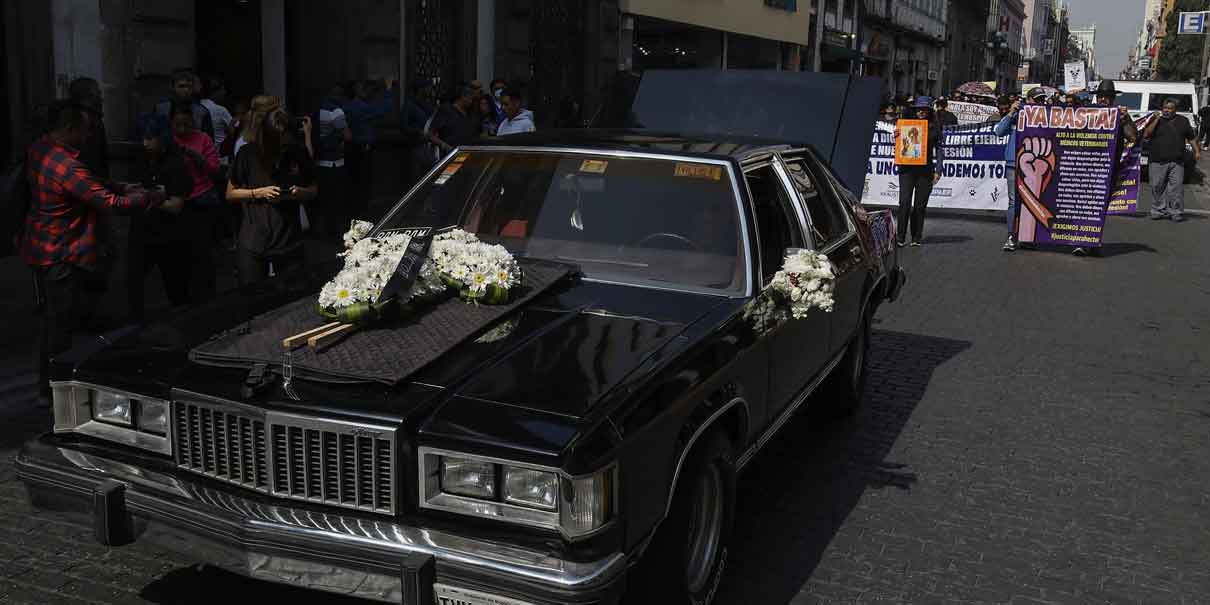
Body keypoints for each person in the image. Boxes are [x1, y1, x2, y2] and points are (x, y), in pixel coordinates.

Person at [22, 100, 178, 402]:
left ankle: (54, 384)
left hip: (42, 246)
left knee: (55, 322)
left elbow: (89, 185)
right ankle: (56, 390)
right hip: (63, 251)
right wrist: (150, 197)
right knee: (60, 327)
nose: (89, 134)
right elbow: (108, 203)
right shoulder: (66, 166)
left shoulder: (40, 148)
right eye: (84, 128)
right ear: (69, 129)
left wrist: (120, 185)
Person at [225, 95, 317, 285]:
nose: (281, 149)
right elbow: (230, 193)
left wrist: (300, 193)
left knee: (291, 298)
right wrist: (258, 192)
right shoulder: (248, 153)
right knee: (253, 298)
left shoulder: (296, 152)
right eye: (277, 144)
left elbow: (314, 189)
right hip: (254, 239)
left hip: (289, 240)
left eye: (285, 143)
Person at [128, 112, 193, 321]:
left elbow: (176, 205)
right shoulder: (141, 161)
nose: (145, 143)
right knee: (132, 279)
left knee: (176, 287)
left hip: (169, 236)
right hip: (142, 233)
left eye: (150, 138)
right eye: (143, 138)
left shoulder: (175, 165)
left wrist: (149, 198)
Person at [169, 100, 221, 301]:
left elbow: (215, 169)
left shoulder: (203, 139)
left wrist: (198, 159)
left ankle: (206, 296)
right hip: (176, 201)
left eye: (187, 125)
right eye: (178, 125)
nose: (182, 129)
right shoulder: (168, 141)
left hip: (201, 199)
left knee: (202, 252)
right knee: (179, 253)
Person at [343, 79, 395, 222]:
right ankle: (361, 216)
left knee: (356, 184)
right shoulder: (359, 107)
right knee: (363, 185)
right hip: (360, 150)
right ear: (355, 91)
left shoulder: (350, 106)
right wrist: (388, 90)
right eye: (362, 88)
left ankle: (355, 214)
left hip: (354, 150)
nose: (366, 91)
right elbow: (383, 109)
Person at [895, 96, 943, 247]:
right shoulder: (905, 125)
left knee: (920, 206)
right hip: (907, 170)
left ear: (929, 111)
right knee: (904, 203)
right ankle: (900, 237)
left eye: (924, 109)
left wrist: (938, 170)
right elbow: (901, 145)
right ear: (914, 109)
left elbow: (940, 150)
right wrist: (896, 137)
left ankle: (916, 237)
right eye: (918, 109)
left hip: (925, 171)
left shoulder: (935, 127)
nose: (921, 111)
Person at [1143, 97, 1199, 222]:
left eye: (1170, 108)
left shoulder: (1183, 121)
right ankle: (1158, 210)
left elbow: (1191, 137)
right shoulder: (1155, 119)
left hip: (1177, 161)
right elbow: (1146, 134)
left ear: (1175, 110)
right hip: (1157, 160)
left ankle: (1176, 212)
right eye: (1164, 108)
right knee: (1157, 186)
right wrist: (1156, 119)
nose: (1166, 111)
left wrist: (1197, 151)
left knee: (1176, 188)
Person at [315, 83, 353, 238]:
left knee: (324, 198)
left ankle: (323, 231)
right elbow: (348, 136)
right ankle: (334, 233)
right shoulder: (336, 111)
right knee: (335, 199)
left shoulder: (318, 110)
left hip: (320, 160)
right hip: (334, 162)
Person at [994, 96, 1023, 251]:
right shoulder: (1016, 115)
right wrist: (1011, 112)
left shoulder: (1039, 115)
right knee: (1013, 202)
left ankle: (1029, 236)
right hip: (1013, 163)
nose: (1037, 103)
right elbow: (999, 132)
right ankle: (1011, 236)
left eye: (1041, 100)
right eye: (1035, 99)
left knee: (1030, 202)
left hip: (1033, 165)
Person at [155, 68, 215, 139]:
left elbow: (209, 142)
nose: (186, 90)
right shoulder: (161, 109)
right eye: (181, 86)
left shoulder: (202, 112)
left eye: (189, 86)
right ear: (172, 87)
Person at [428, 85, 480, 155]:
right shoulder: (446, 110)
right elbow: (430, 134)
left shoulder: (471, 113)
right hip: (450, 155)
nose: (472, 101)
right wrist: (445, 146)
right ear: (462, 96)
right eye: (470, 98)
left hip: (468, 154)